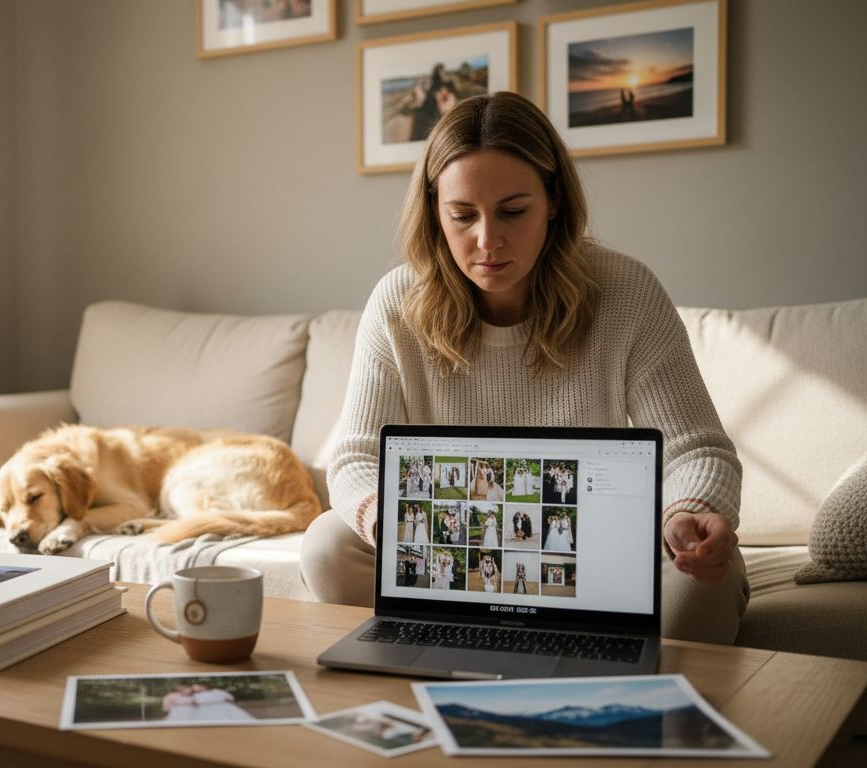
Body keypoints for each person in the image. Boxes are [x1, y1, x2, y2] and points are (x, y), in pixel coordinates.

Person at [299, 91, 747, 644]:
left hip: (601, 552)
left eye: (514, 211)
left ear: (554, 200)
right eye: (462, 215)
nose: (488, 241)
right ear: (435, 210)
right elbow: (357, 458)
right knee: (326, 545)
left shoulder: (627, 292)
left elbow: (697, 448)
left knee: (709, 581)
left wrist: (691, 514)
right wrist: (392, 524)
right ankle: (440, 672)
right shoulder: (397, 302)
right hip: (451, 553)